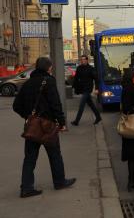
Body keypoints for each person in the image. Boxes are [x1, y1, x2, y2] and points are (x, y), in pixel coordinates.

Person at [13, 57, 76, 198]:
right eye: (51, 67)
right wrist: (62, 122)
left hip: (32, 127)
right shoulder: (49, 81)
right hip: (48, 126)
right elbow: (55, 104)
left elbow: (16, 106)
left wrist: (28, 116)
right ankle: (59, 182)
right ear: (48, 68)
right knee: (55, 155)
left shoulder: (27, 83)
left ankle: (26, 188)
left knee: (29, 158)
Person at [71, 55, 102, 126]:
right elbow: (76, 79)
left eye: (84, 59)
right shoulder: (79, 68)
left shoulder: (91, 68)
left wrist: (97, 89)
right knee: (91, 104)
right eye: (81, 60)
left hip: (88, 89)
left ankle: (76, 121)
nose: (82, 61)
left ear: (87, 60)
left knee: (81, 105)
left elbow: (96, 79)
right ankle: (98, 117)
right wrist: (74, 87)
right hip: (82, 89)